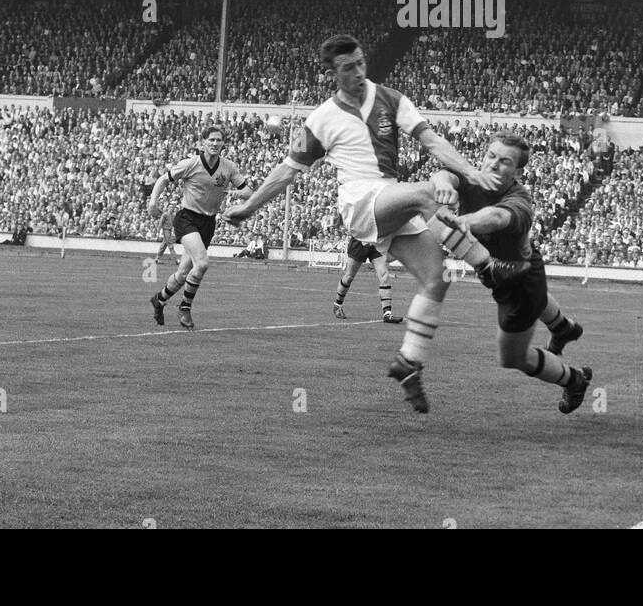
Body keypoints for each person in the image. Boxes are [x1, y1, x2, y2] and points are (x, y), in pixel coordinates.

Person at [224, 34, 526, 413]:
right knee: (428, 191)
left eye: (362, 63)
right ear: (332, 72)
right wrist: (249, 206)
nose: (359, 72)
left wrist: (468, 171)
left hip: (390, 198)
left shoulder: (391, 98)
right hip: (359, 201)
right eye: (349, 67)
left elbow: (431, 141)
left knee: (437, 278)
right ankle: (488, 269)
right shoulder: (321, 119)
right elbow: (288, 171)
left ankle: (408, 362)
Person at [432, 132, 592, 414]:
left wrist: (461, 221)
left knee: (512, 357)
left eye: (504, 161)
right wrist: (443, 184)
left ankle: (574, 379)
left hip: (518, 282)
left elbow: (496, 218)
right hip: (514, 265)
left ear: (517, 172)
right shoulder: (472, 176)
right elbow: (444, 176)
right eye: (491, 156)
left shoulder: (519, 200)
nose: (493, 164)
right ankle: (563, 327)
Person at [146, 125, 251, 330]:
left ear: (223, 144)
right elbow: (162, 179)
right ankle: (185, 307)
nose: (214, 143)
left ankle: (159, 299)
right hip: (187, 219)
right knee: (201, 264)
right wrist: (152, 202)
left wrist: (239, 194)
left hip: (207, 223)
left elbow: (248, 191)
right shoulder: (191, 164)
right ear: (202, 143)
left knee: (183, 274)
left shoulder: (229, 167)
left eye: (218, 140)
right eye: (211, 140)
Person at [333, 235, 403, 323]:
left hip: (376, 242)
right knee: (349, 277)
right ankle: (338, 305)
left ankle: (387, 314)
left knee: (384, 275)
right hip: (360, 241)